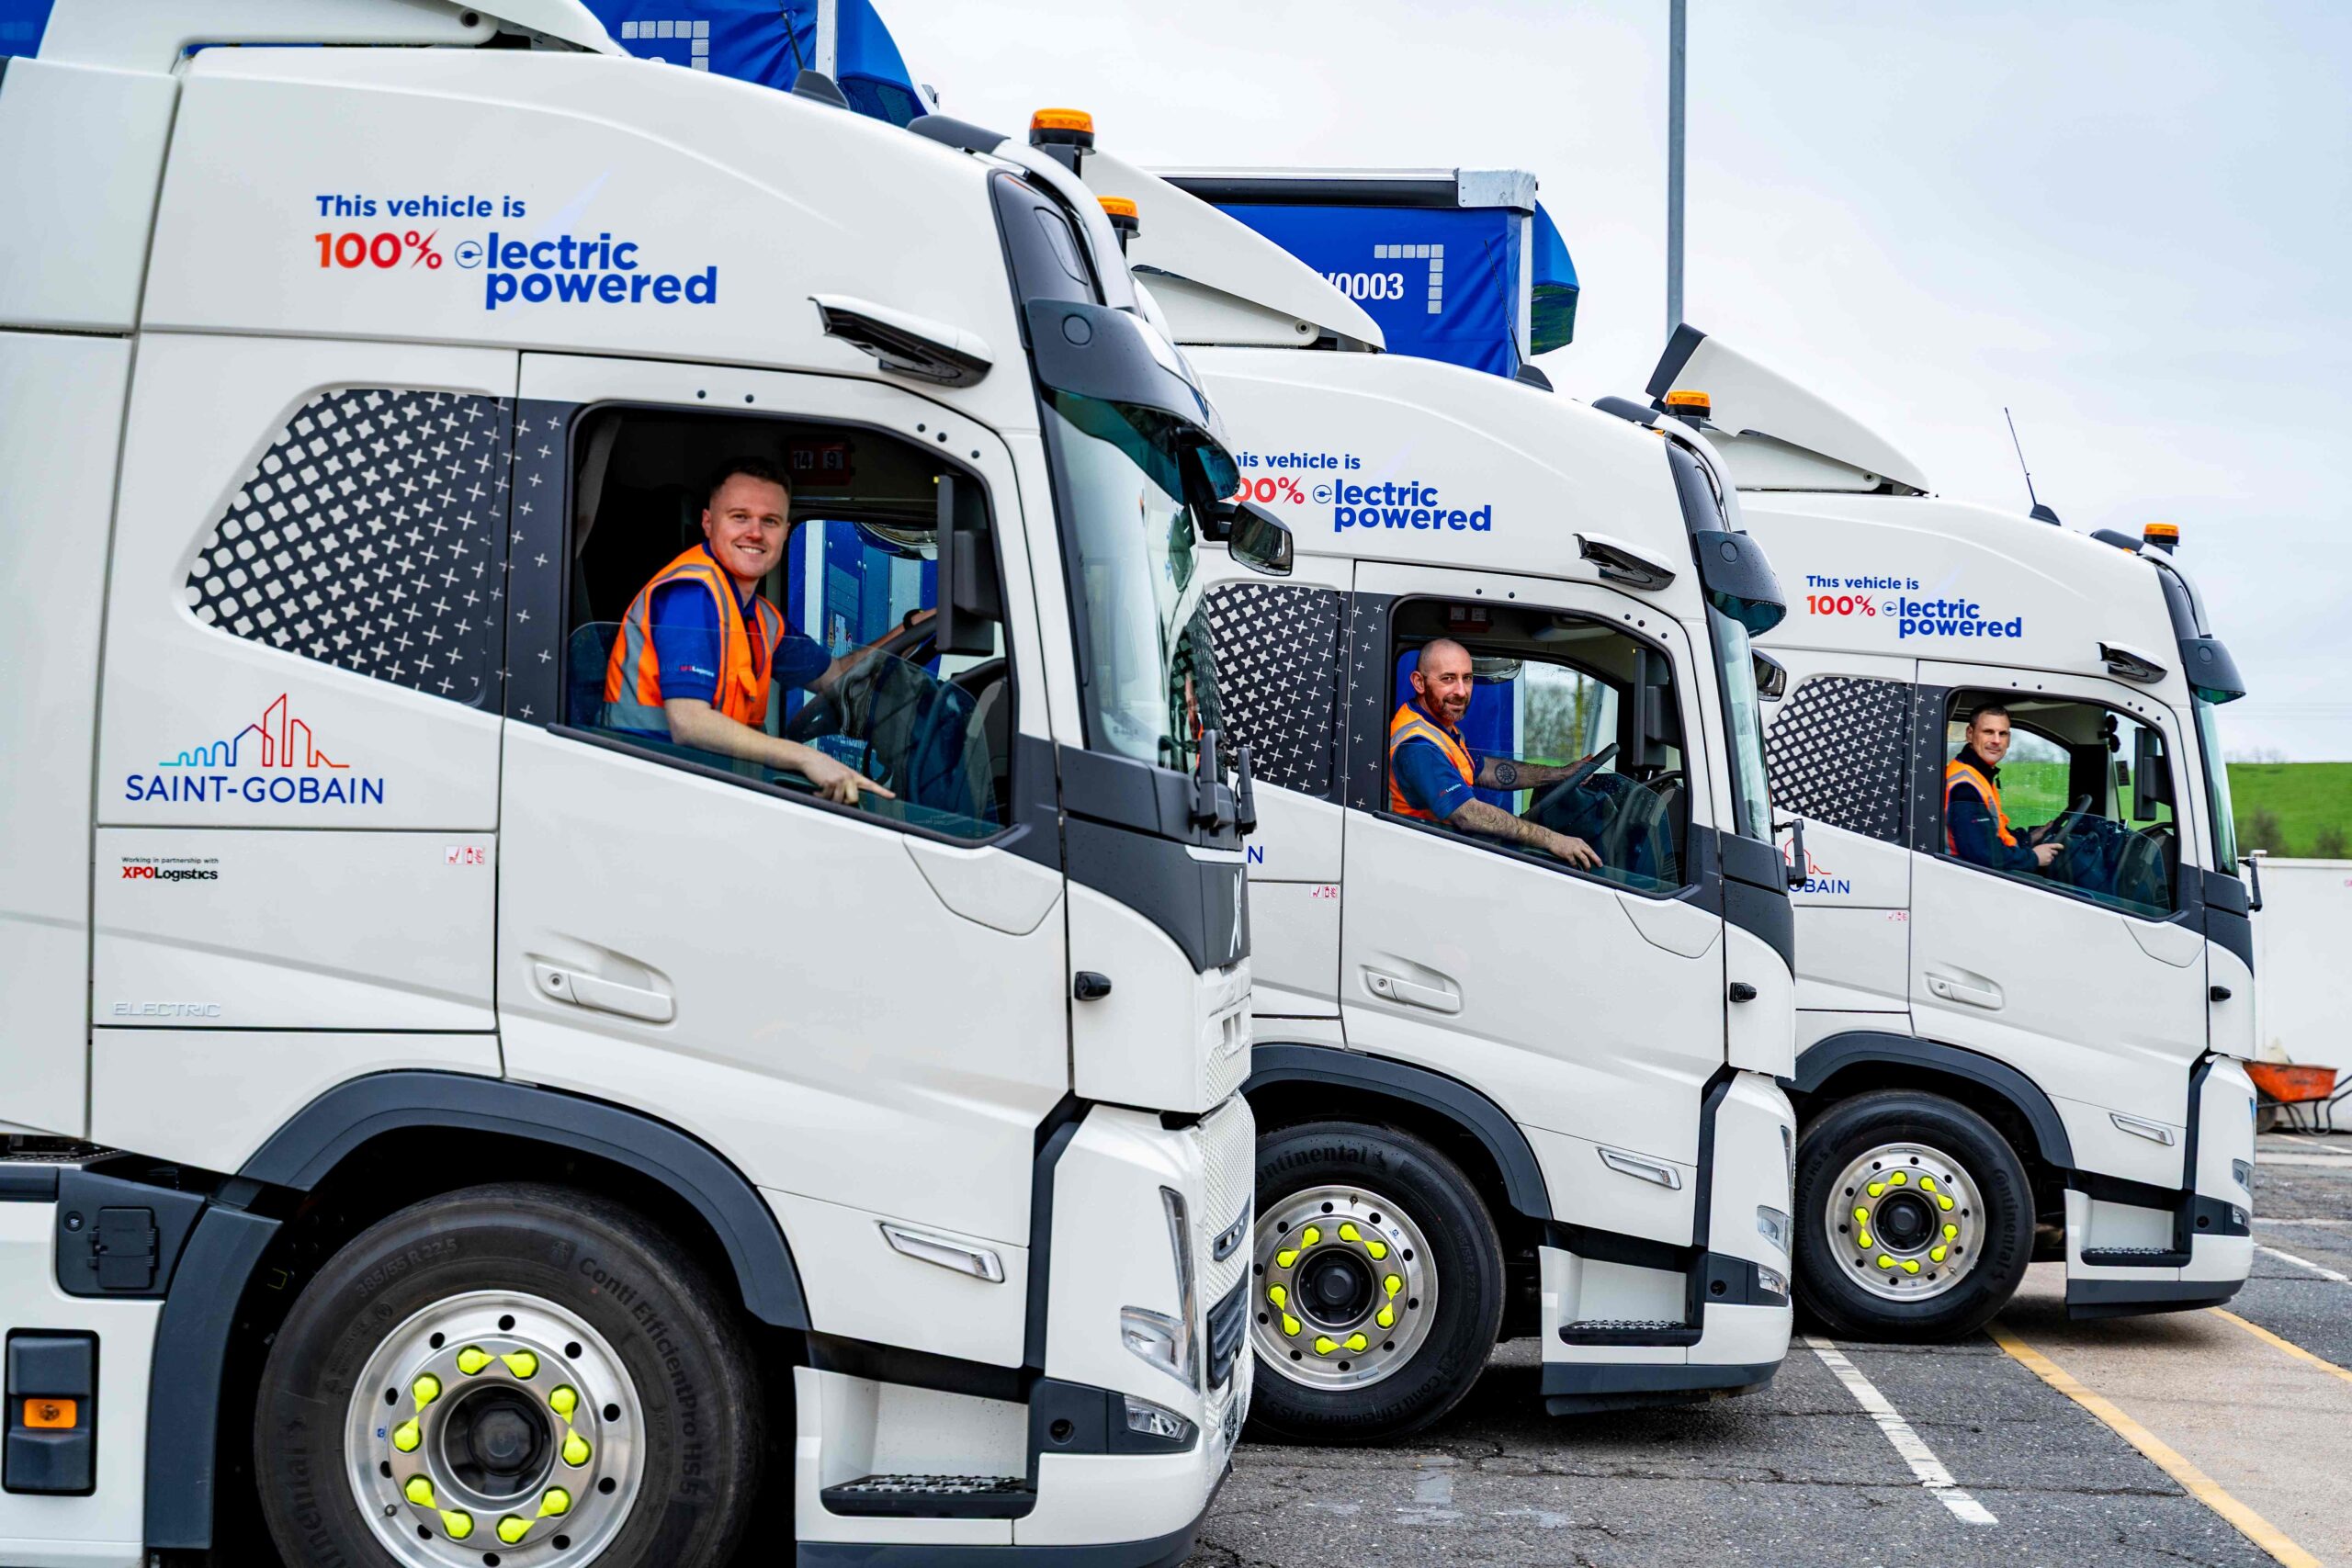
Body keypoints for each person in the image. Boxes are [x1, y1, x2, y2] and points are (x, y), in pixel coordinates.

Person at [603, 457, 897, 806]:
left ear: (786, 532)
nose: (755, 532)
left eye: (769, 521)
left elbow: (837, 676)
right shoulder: (692, 593)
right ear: (708, 523)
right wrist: (807, 757)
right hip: (646, 792)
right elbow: (690, 723)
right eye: (739, 517)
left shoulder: (761, 618)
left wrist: (914, 628)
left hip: (705, 790)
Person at [1387, 638, 1602, 869]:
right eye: (1448, 678)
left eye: (1467, 678)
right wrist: (1552, 839)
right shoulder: (1418, 745)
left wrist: (1560, 774)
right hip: (1425, 864)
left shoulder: (1440, 728)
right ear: (1419, 683)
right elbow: (1468, 814)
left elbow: (1486, 770)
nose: (1461, 691)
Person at [1944, 703, 2061, 872]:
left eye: (2003, 733)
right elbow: (1983, 853)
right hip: (1963, 875)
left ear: (2009, 739)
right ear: (1970, 734)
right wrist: (2034, 858)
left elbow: (1993, 833)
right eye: (1988, 732)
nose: (1996, 741)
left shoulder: (1978, 774)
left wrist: (2030, 838)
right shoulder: (1965, 785)